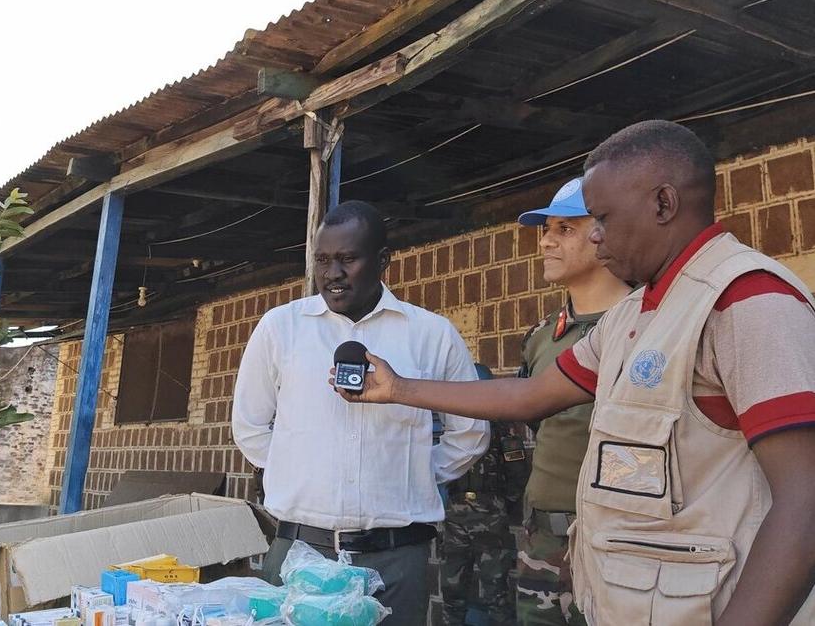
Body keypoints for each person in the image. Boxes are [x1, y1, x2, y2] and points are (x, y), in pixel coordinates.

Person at [332, 121, 815, 626]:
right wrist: (399, 388)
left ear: (663, 204)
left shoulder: (747, 301)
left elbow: (804, 500)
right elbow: (532, 395)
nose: (596, 235)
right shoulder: (636, 314)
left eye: (602, 218)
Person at [233, 200, 490, 625]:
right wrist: (295, 469)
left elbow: (471, 431)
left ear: (383, 260)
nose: (332, 273)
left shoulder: (431, 334)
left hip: (396, 561)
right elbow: (250, 426)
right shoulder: (281, 328)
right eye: (322, 260)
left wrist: (414, 474)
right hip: (300, 556)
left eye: (347, 259)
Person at [513, 178, 631, 625]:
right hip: (542, 542)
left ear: (605, 232)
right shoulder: (542, 336)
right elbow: (537, 423)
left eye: (565, 229)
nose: (546, 241)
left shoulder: (646, 325)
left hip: (617, 542)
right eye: (546, 230)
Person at [440, 364, 523, 626]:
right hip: (455, 514)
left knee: (496, 592)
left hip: (490, 514)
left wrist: (505, 505)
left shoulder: (500, 425)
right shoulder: (453, 424)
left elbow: (517, 472)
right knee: (452, 589)